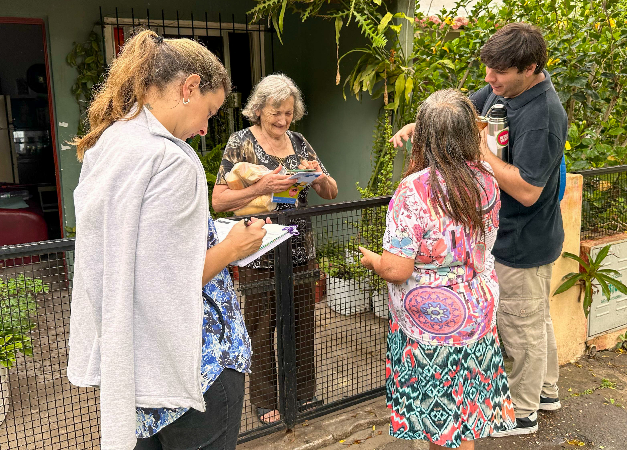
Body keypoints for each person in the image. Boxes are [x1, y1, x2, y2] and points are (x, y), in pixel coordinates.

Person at [68, 30, 269, 450]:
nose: (203, 129)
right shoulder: (171, 160)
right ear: (189, 87)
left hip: (135, 362)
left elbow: (127, 252)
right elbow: (170, 283)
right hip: (194, 365)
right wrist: (233, 248)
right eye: (209, 112)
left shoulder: (110, 144)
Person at [390, 22, 568, 437]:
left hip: (525, 240)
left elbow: (526, 190)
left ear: (531, 68)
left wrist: (483, 153)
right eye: (488, 70)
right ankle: (545, 390)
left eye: (499, 73)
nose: (489, 80)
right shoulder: (500, 91)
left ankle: (523, 413)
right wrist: (422, 128)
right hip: (507, 235)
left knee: (521, 325)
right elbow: (459, 117)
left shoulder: (542, 116)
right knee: (534, 318)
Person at [360, 89, 515, 450]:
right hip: (477, 313)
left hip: (430, 326)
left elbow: (397, 268)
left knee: (441, 426)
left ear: (424, 135)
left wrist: (373, 261)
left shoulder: (413, 190)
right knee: (462, 420)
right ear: (470, 133)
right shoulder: (487, 179)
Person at [211, 73, 338, 425]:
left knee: (302, 325)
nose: (283, 120)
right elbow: (219, 201)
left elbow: (331, 192)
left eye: (288, 112)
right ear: (258, 110)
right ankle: (265, 400)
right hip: (258, 250)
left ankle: (303, 393)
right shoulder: (241, 143)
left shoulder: (299, 142)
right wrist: (262, 186)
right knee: (261, 326)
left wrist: (320, 176)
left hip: (300, 250)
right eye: (275, 113)